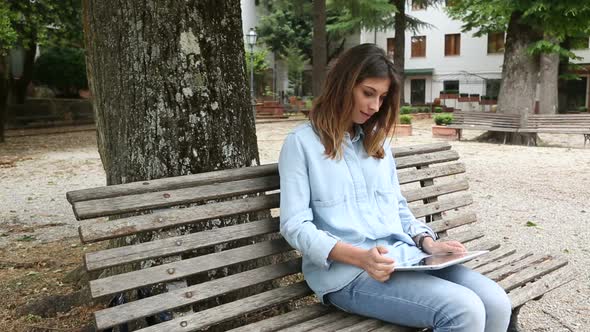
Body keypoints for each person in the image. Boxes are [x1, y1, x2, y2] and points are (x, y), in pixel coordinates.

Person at [278, 43, 512, 332]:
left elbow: (398, 208)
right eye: (367, 93)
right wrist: (361, 257)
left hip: (404, 258)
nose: (375, 107)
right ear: (343, 85)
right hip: (347, 275)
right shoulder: (301, 144)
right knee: (463, 310)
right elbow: (294, 225)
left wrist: (428, 243)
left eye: (382, 97)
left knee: (497, 303)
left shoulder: (377, 144)